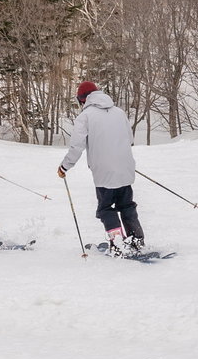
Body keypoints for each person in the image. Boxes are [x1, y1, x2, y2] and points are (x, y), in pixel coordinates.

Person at [58, 81, 145, 256]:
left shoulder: (86, 116)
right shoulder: (119, 112)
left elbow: (77, 146)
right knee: (127, 206)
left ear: (82, 99)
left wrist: (65, 166)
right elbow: (130, 139)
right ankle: (136, 241)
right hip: (125, 169)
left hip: (104, 173)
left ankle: (118, 244)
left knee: (106, 209)